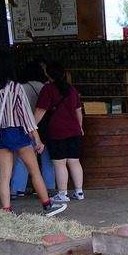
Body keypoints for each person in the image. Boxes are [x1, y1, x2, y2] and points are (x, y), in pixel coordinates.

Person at [0, 50, 66, 217]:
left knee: (5, 174)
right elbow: (26, 115)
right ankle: (47, 207)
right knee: (34, 170)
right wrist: (37, 138)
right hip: (16, 131)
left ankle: (7, 211)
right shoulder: (15, 87)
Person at [34, 62, 84, 202]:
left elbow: (41, 110)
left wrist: (31, 126)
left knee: (59, 163)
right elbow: (78, 110)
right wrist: (80, 127)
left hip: (56, 131)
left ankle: (63, 193)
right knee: (74, 162)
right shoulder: (71, 89)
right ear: (63, 74)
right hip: (74, 130)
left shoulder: (47, 89)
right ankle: (79, 192)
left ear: (48, 74)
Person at [9, 60, 55, 200]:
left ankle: (15, 190)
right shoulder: (45, 88)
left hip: (25, 127)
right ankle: (44, 189)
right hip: (44, 127)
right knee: (47, 160)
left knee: (22, 159)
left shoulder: (20, 88)